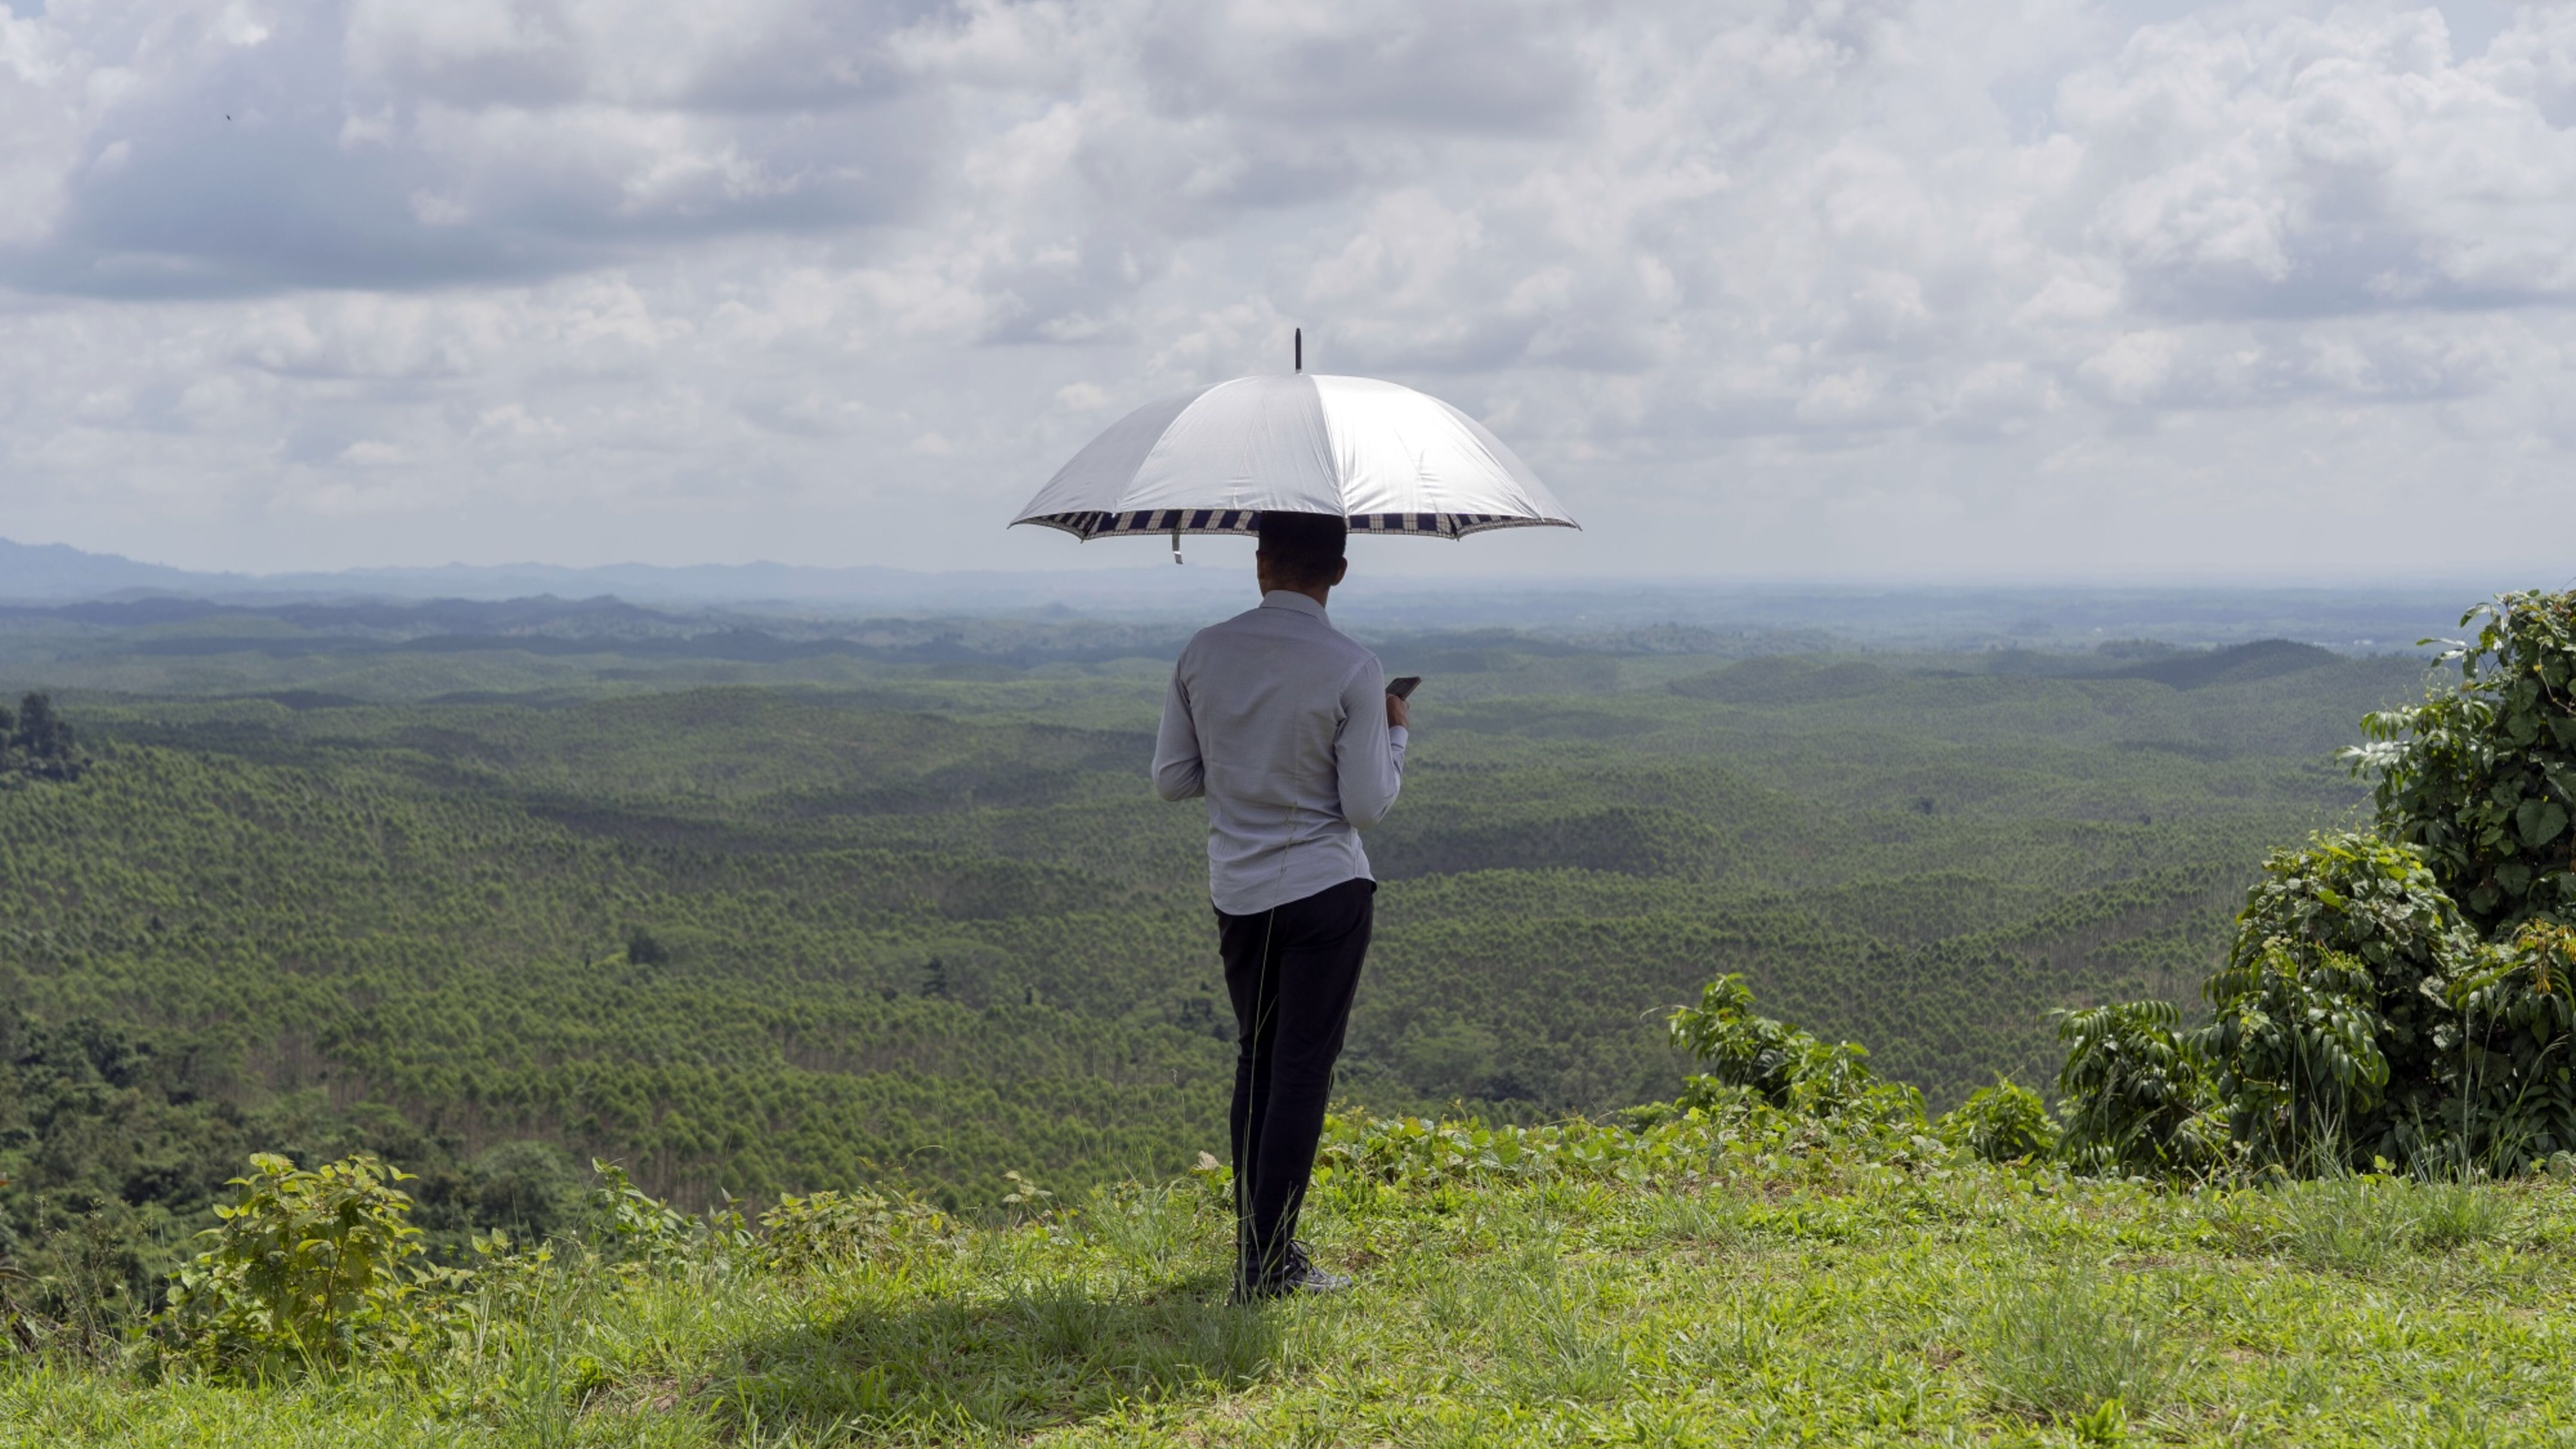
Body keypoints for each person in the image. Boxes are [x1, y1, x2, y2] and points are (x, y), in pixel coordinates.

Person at [1152, 511, 1409, 1302]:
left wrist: (1242, 760)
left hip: (1239, 893)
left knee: (1257, 1062)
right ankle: (1269, 1266)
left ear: (1259, 563)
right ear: (1339, 571)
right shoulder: (1353, 666)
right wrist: (1396, 735)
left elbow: (1173, 778)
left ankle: (1258, 1251)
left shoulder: (1203, 651)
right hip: (1326, 891)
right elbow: (1365, 806)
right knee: (1301, 1073)